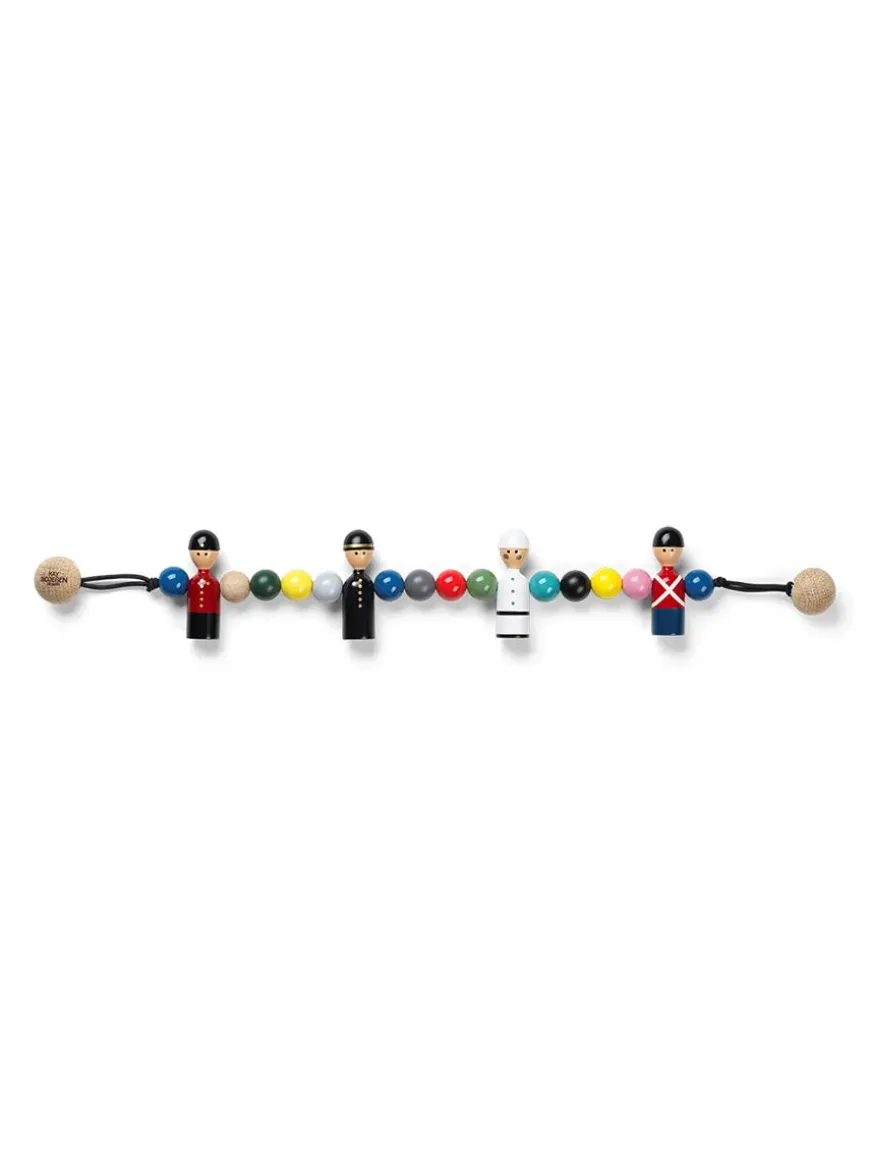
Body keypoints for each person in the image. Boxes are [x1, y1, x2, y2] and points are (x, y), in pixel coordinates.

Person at [651, 526, 685, 636]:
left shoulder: (677, 579)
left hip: (676, 612)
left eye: (672, 550)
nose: (669, 552)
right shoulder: (658, 579)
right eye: (664, 550)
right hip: (659, 613)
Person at [496, 529, 530, 638]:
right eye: (507, 551)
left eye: (516, 551)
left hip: (522, 622)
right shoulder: (503, 580)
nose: (511, 555)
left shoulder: (523, 580)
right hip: (503, 621)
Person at [187, 529, 221, 640]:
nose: (202, 555)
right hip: (194, 614)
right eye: (198, 553)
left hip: (212, 615)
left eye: (206, 553)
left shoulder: (214, 582)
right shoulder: (193, 581)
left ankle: (210, 633)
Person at [342, 529, 375, 640]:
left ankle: (365, 633)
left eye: (364, 553)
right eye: (356, 553)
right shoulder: (349, 583)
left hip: (367, 628)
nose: (360, 555)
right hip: (349, 628)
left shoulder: (368, 582)